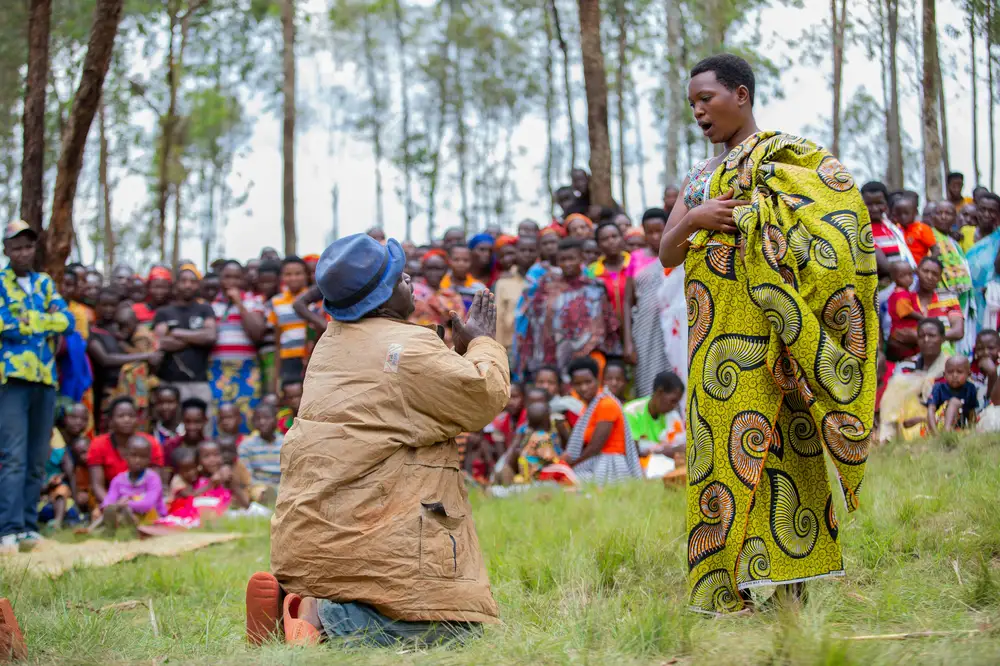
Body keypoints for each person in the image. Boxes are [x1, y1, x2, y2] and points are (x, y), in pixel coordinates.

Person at [659, 54, 877, 614]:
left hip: (776, 340)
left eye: (707, 99)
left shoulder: (787, 158)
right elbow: (666, 251)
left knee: (782, 452)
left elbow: (839, 222)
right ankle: (727, 591)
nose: (699, 111)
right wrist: (694, 218)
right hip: (714, 348)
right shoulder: (699, 178)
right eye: (692, 105)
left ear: (741, 94)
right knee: (717, 456)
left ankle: (791, 592)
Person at [247, 232, 509, 648]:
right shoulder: (408, 346)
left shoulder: (329, 344)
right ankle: (322, 618)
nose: (412, 283)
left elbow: (401, 408)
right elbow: (484, 395)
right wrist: (480, 342)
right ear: (381, 300)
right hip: (371, 537)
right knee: (458, 633)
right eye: (402, 278)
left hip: (313, 543)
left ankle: (304, 595)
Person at [0, 220, 75, 555]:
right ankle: (8, 529)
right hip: (12, 380)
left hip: (45, 380)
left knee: (36, 458)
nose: (22, 252)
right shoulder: (1, 282)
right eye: (16, 247)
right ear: (6, 250)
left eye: (28, 246)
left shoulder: (44, 284)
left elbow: (67, 321)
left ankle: (28, 526)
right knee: (13, 456)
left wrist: (31, 321)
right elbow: (5, 325)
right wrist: (41, 322)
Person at [515, 238, 617, 379]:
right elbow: (535, 325)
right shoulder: (545, 287)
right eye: (563, 259)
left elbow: (604, 325)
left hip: (588, 361)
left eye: (572, 259)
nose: (567, 264)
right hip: (552, 359)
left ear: (581, 258)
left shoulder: (595, 288)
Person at [627, 208, 687, 397]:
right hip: (645, 329)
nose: (654, 236)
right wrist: (628, 342)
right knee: (648, 372)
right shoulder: (635, 259)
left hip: (674, 325)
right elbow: (627, 302)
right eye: (649, 231)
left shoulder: (678, 254)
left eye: (659, 230)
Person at [563, 357, 642, 483]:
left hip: (611, 465)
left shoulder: (606, 404)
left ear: (598, 380)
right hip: (596, 461)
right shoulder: (589, 407)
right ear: (572, 386)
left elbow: (595, 446)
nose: (584, 388)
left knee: (567, 480)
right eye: (578, 384)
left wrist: (571, 464)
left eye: (588, 382)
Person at [209, 260, 266, 432]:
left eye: (236, 277)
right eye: (227, 277)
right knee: (220, 418)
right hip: (218, 370)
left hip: (246, 369)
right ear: (221, 279)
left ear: (242, 280)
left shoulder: (254, 301)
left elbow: (257, 333)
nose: (231, 282)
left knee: (247, 417)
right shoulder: (211, 306)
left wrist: (239, 304)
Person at [153, 265, 217, 406]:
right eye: (184, 281)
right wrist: (197, 338)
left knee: (200, 425)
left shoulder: (205, 309)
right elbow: (161, 343)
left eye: (193, 281)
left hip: (198, 383)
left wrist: (177, 333)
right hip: (169, 383)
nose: (188, 285)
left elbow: (210, 336)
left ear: (198, 285)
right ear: (176, 284)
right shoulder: (163, 312)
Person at [87, 397, 164, 508]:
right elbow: (97, 485)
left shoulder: (150, 443)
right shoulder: (98, 444)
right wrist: (113, 507)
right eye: (121, 416)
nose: (126, 420)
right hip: (111, 497)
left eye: (131, 416)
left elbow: (155, 483)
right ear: (111, 420)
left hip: (144, 500)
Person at [881, 319, 949, 441]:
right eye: (922, 336)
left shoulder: (951, 367)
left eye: (932, 336)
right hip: (906, 421)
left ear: (943, 339)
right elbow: (893, 401)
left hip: (938, 419)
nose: (926, 340)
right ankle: (888, 436)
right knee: (897, 383)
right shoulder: (906, 366)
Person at [95, 436, 167, 529]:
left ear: (149, 459)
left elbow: (148, 504)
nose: (137, 460)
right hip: (125, 512)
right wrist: (114, 506)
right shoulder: (118, 480)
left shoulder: (153, 478)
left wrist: (126, 504)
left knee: (126, 508)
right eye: (134, 455)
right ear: (126, 456)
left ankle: (120, 524)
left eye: (143, 457)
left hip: (152, 517)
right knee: (106, 511)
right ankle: (92, 529)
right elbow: (108, 502)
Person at [624, 370, 686, 472]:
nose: (674, 406)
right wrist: (663, 450)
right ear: (659, 392)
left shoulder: (672, 415)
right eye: (673, 401)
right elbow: (634, 450)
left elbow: (682, 446)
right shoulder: (631, 411)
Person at [586, 222, 631, 361]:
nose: (611, 241)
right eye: (605, 239)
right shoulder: (592, 271)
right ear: (598, 244)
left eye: (614, 236)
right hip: (606, 337)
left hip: (636, 330)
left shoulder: (634, 264)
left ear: (622, 238)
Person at [268, 257, 310, 390]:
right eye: (288, 274)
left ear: (306, 275)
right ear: (282, 277)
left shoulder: (314, 299)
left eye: (298, 273)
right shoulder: (276, 302)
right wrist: (276, 374)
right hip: (288, 358)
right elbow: (278, 339)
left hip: (310, 357)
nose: (293, 278)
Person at [409, 249, 465, 347]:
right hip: (418, 345)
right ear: (422, 269)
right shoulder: (412, 292)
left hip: (447, 347)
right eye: (429, 268)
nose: (433, 273)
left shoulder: (452, 296)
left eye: (438, 269)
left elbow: (461, 325)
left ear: (445, 270)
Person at [493, 236, 538, 353]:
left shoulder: (546, 279)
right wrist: (499, 351)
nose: (527, 254)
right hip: (512, 347)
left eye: (531, 250)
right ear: (516, 253)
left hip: (539, 348)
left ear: (538, 252)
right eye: (522, 250)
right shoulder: (503, 282)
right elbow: (499, 319)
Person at [238, 403, 284, 504]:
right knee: (259, 492)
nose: (262, 422)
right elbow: (246, 475)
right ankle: (269, 498)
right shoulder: (246, 445)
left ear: (276, 420)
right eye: (257, 419)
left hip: (282, 485)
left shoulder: (286, 442)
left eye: (267, 418)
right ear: (253, 422)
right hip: (258, 485)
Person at [926, 356, 979, 433]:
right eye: (950, 372)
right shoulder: (939, 387)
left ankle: (949, 432)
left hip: (958, 427)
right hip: (937, 426)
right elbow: (931, 409)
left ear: (968, 374)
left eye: (959, 372)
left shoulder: (970, 388)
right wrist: (935, 433)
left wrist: (973, 429)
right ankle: (946, 432)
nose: (954, 375)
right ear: (944, 374)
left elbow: (971, 412)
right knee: (954, 402)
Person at [162, 397, 210, 476]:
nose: (192, 427)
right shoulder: (171, 445)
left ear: (205, 420)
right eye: (188, 422)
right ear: (182, 421)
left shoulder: (210, 446)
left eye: (197, 422)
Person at [886, 262, 923, 360]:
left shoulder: (905, 292)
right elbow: (905, 312)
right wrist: (922, 317)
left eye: (910, 274)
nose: (908, 278)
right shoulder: (900, 294)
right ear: (894, 278)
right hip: (903, 330)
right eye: (903, 276)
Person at [254, 260, 281, 392]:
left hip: (276, 352)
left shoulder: (280, 302)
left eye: (271, 281)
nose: (267, 286)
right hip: (260, 352)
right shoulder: (257, 302)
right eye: (263, 282)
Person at [892, 193, 936, 265]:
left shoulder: (922, 228)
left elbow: (935, 250)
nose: (903, 217)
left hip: (920, 268)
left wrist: (927, 265)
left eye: (906, 213)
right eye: (899, 214)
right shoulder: (895, 229)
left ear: (915, 213)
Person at [441, 245, 486, 312]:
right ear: (449, 261)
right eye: (456, 259)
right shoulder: (441, 285)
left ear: (471, 262)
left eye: (466, 260)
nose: (461, 263)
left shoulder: (478, 287)